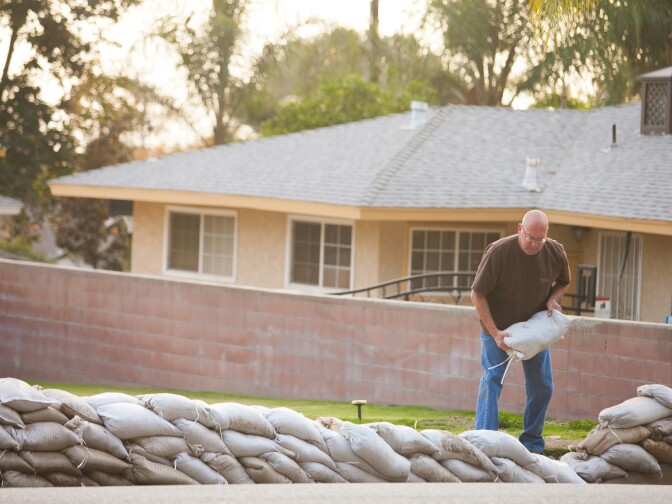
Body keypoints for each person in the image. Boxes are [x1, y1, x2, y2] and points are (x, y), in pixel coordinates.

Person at [470, 209, 570, 453]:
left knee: (543, 385)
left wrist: (552, 299)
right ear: (519, 229)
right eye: (529, 237)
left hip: (532, 329)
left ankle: (532, 442)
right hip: (498, 327)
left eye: (539, 239)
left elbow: (564, 281)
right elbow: (477, 293)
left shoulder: (555, 251)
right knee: (492, 380)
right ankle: (485, 440)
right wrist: (494, 333)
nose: (534, 244)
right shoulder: (499, 252)